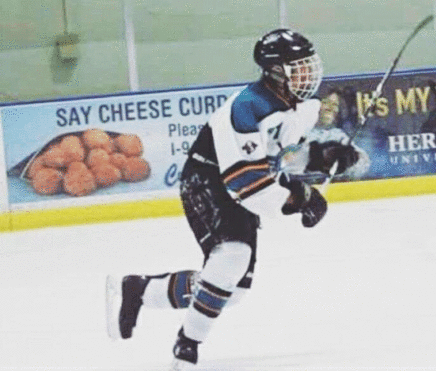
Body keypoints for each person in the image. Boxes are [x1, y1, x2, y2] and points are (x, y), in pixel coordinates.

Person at [106, 28, 367, 370]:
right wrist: (299, 197)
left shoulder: (300, 106)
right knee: (232, 257)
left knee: (233, 291)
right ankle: (187, 347)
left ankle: (140, 290)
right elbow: (247, 181)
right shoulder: (246, 108)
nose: (309, 73)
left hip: (237, 182)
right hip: (207, 181)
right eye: (298, 66)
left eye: (308, 64)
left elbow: (275, 156)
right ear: (276, 70)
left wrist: (320, 158)